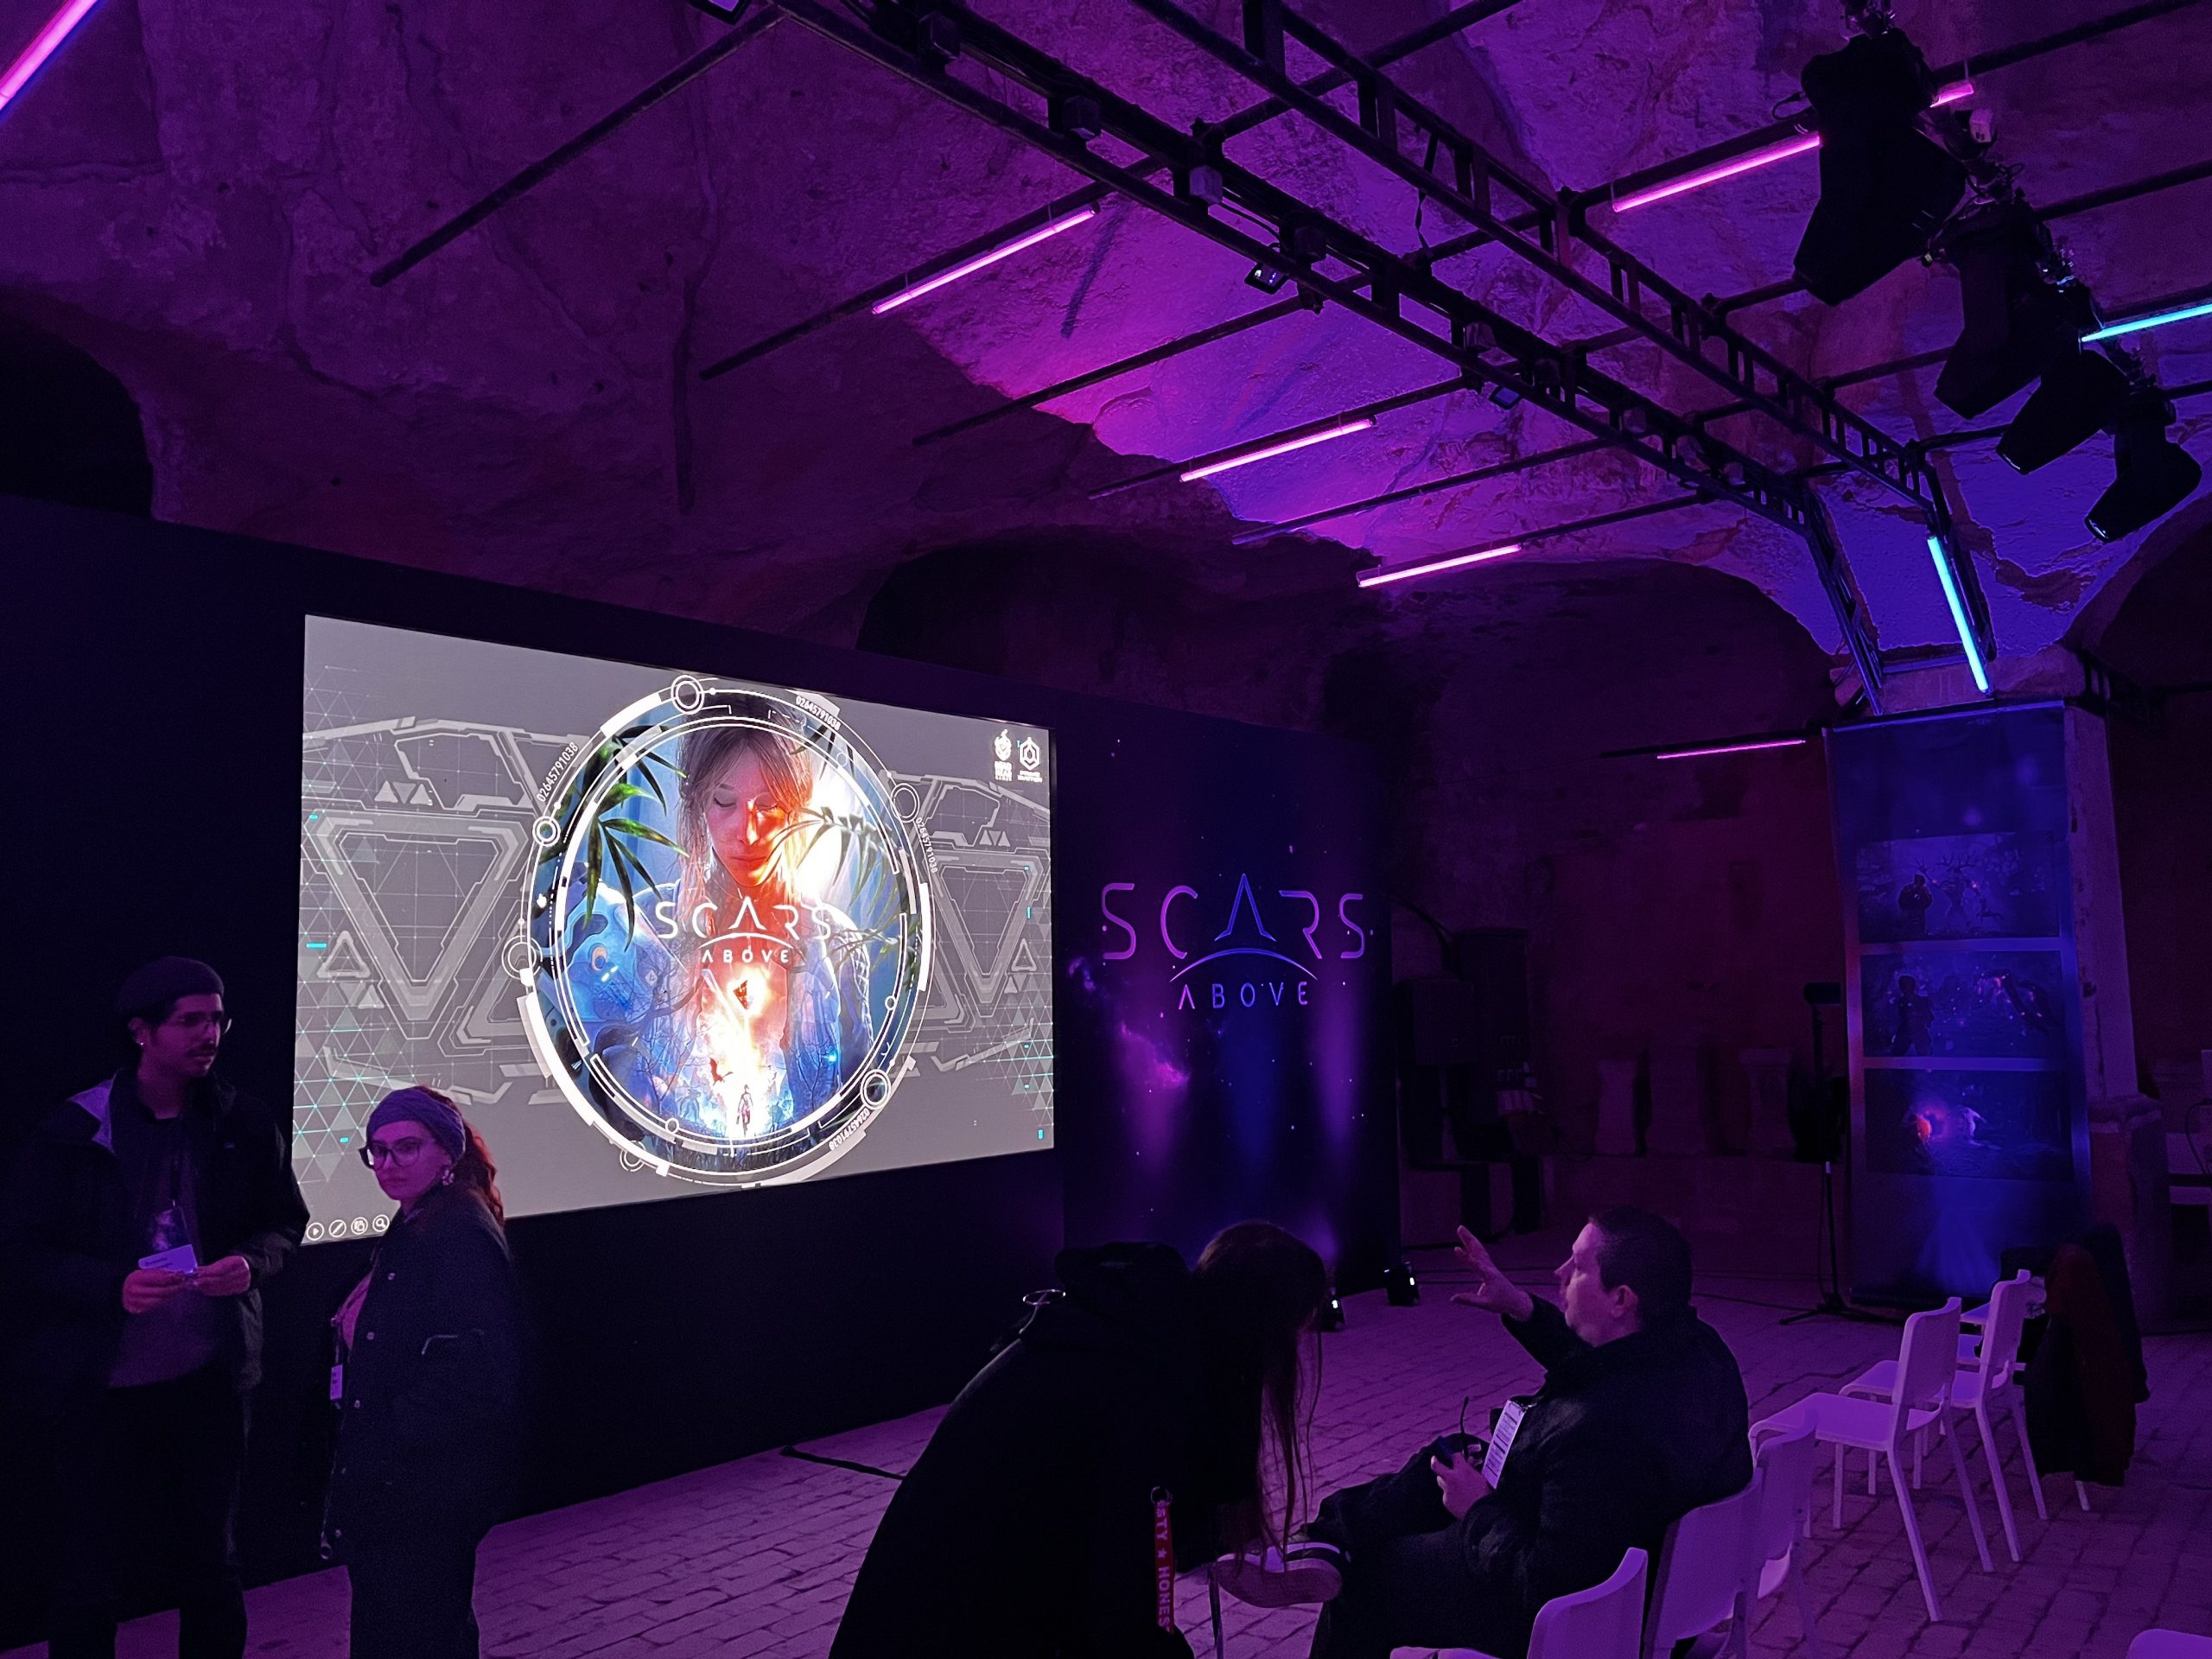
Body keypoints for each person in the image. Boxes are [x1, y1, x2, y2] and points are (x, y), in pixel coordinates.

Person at [1222, 1209, 1751, 1659]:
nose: (1559, 1272)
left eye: (1577, 1266)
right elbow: (1597, 1369)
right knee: (1452, 1457)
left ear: (1621, 1299)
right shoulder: (1696, 1352)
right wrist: (1520, 1307)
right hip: (1654, 1582)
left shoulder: (1602, 1432)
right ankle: (1327, 1540)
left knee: (1368, 1581)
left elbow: (1543, 1586)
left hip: (1586, 1619)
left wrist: (1478, 1509)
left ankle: (1336, 1551)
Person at [830, 1221, 1330, 1659]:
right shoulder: (1144, 1396)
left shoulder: (1133, 1338)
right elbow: (1120, 1609)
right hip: (943, 1624)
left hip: (924, 1604)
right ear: (1258, 1339)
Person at [0, 957, 308, 1659]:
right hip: (99, 1390)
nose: (210, 1034)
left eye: (218, 1019)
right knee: (88, 1575)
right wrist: (111, 1286)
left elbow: (285, 1224)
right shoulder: (74, 1131)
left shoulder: (242, 1120)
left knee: (211, 1567)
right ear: (142, 1032)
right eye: (191, 1020)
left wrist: (250, 1264)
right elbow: (21, 1253)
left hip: (210, 1382)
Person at [325, 1086, 524, 1659]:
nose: (388, 1164)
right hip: (404, 1481)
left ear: (447, 1153)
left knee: (421, 1629)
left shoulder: (459, 1232)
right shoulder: (421, 1220)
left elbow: (473, 1370)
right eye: (378, 1151)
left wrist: (391, 1436)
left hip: (423, 1486)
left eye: (406, 1147)